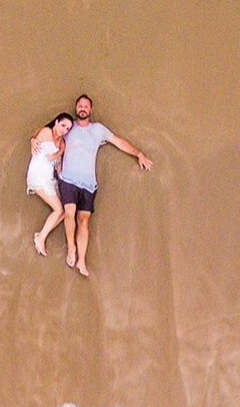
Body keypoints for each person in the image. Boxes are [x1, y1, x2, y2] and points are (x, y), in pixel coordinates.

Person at [56, 94, 152, 277]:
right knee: (69, 213)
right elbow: (49, 133)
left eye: (86, 106)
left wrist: (138, 153)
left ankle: (81, 261)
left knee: (83, 221)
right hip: (67, 179)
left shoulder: (98, 129)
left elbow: (118, 142)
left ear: (90, 110)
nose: (82, 108)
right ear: (76, 109)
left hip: (89, 184)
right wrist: (34, 140)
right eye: (80, 106)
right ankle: (71, 247)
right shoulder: (67, 127)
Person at [27, 113, 73, 255]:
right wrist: (60, 151)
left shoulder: (62, 143)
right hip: (38, 175)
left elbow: (58, 167)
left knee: (66, 210)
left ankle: (40, 235)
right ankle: (40, 238)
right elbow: (48, 155)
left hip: (49, 179)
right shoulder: (47, 132)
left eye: (68, 129)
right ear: (57, 122)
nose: (64, 130)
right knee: (59, 209)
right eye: (63, 125)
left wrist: (63, 183)